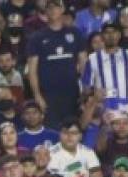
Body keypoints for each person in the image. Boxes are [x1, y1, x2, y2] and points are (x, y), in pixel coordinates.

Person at [26, 0, 86, 129]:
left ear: (63, 9)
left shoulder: (75, 33)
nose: (53, 10)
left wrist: (84, 91)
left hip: (72, 93)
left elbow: (84, 65)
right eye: (50, 7)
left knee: (72, 129)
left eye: (57, 6)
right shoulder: (37, 37)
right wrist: (37, 95)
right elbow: (32, 70)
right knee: (52, 130)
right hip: (48, 94)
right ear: (45, 11)